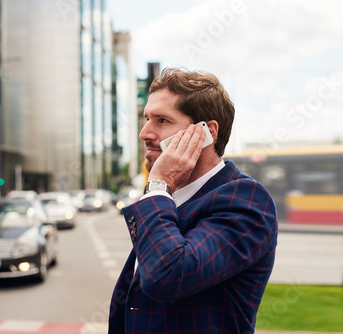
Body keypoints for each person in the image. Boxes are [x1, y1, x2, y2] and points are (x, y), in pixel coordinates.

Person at [108, 67, 278, 334]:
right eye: (146, 118)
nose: (145, 133)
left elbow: (168, 276)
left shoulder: (246, 200)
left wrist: (158, 184)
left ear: (206, 132)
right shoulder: (170, 197)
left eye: (162, 120)